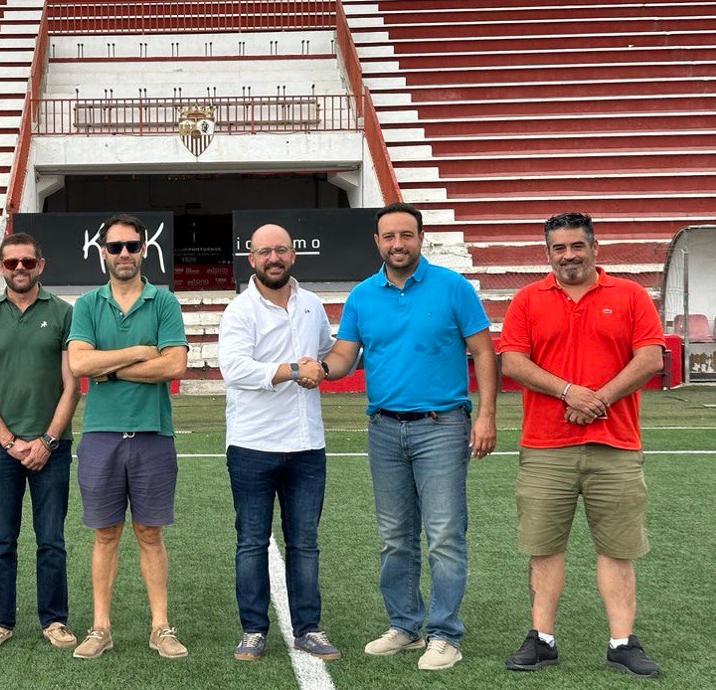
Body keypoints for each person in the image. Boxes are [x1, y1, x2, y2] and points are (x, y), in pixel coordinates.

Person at [319, 202, 497, 671]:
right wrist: (316, 369)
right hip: (383, 429)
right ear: (376, 242)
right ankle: (405, 626)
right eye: (389, 237)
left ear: (421, 238)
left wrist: (486, 416)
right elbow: (343, 356)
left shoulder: (453, 287)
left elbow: (484, 352)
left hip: (442, 426)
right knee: (395, 537)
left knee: (443, 535)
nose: (398, 244)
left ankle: (445, 634)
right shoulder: (362, 296)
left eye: (407, 235)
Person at [497, 212, 664, 678]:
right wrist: (569, 392)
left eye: (577, 246)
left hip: (616, 443)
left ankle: (622, 642)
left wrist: (597, 399)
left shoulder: (629, 295)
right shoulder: (528, 299)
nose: (568, 256)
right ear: (546, 252)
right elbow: (512, 361)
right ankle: (542, 639)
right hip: (546, 445)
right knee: (544, 547)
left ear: (595, 248)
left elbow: (649, 357)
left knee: (617, 548)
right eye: (558, 248)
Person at [66, 213, 189, 660]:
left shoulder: (164, 302)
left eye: (132, 246)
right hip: (100, 435)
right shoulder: (86, 304)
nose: (124, 254)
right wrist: (139, 353)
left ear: (143, 250)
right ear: (103, 253)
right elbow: (79, 364)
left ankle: (160, 627)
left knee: (150, 533)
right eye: (115, 247)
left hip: (154, 434)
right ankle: (101, 628)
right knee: (105, 535)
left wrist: (108, 366)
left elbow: (174, 366)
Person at [216, 223, 339, 662]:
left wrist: (318, 369)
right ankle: (253, 629)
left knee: (304, 541)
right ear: (251, 259)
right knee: (251, 540)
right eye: (265, 251)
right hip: (252, 444)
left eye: (281, 250)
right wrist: (292, 369)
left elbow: (325, 355)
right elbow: (234, 368)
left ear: (293, 255)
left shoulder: (311, 305)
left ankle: (309, 628)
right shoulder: (239, 310)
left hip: (307, 444)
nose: (274, 258)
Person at [0, 232, 79, 652]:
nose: (19, 270)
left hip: (53, 446)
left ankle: (54, 620)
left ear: (40, 266)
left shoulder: (65, 314)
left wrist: (47, 440)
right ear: (0, 267)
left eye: (26, 263)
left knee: (51, 538)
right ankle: (0, 621)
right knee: (1, 539)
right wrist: (10, 441)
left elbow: (72, 387)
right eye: (11, 263)